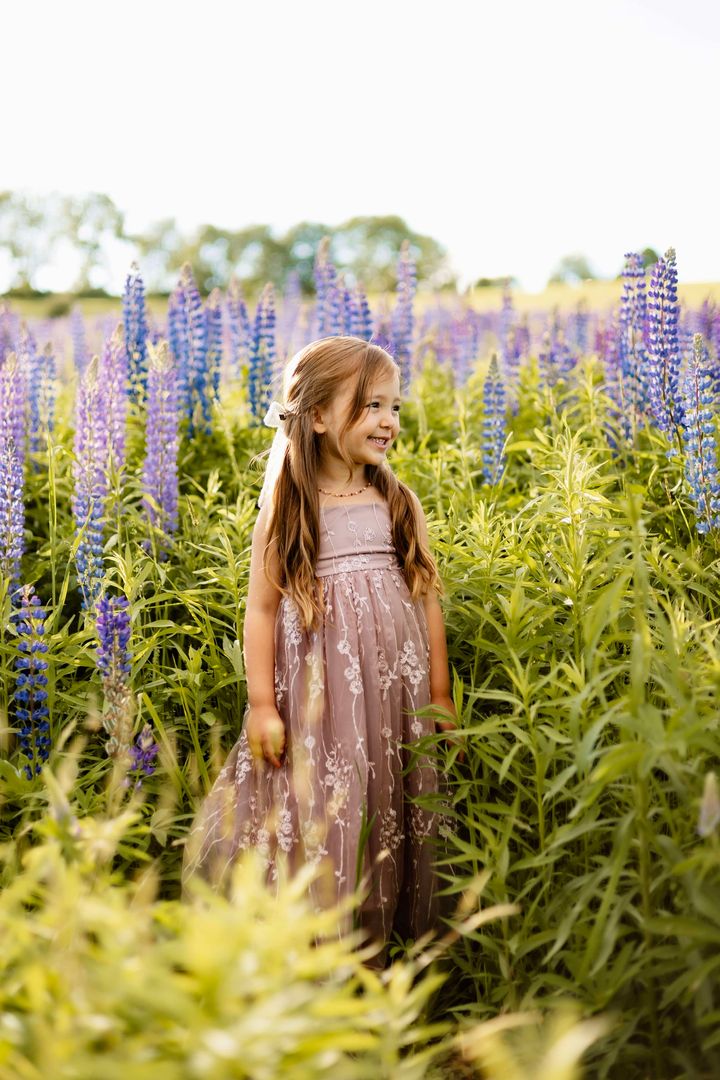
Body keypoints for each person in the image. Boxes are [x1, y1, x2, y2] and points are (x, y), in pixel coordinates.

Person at [183, 335, 457, 955]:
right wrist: (261, 704)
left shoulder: (395, 499)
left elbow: (426, 598)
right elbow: (260, 608)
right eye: (369, 407)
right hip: (318, 696)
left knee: (390, 799)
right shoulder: (289, 505)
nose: (387, 422)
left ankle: (390, 956)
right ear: (314, 417)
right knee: (330, 808)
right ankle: (317, 952)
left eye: (393, 407)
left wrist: (438, 692)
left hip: (395, 695)